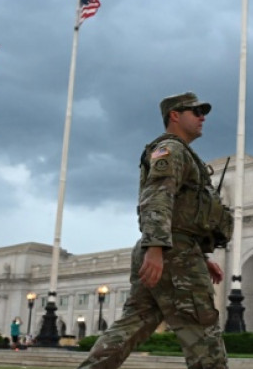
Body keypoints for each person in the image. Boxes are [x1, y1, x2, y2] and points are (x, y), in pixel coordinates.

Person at [78, 92, 233, 369]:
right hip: (173, 252)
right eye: (196, 111)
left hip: (173, 249)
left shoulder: (179, 152)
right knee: (203, 334)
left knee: (130, 327)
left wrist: (198, 255)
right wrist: (157, 249)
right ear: (175, 115)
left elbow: (181, 212)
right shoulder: (171, 150)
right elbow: (158, 196)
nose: (202, 117)